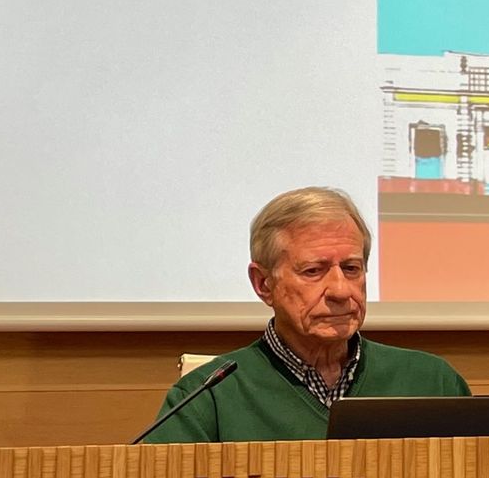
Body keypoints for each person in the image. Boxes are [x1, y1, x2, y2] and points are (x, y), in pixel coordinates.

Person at [144, 187, 469, 441]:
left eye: (352, 268)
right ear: (263, 284)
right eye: (314, 271)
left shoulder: (431, 381)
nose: (341, 291)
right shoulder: (209, 395)